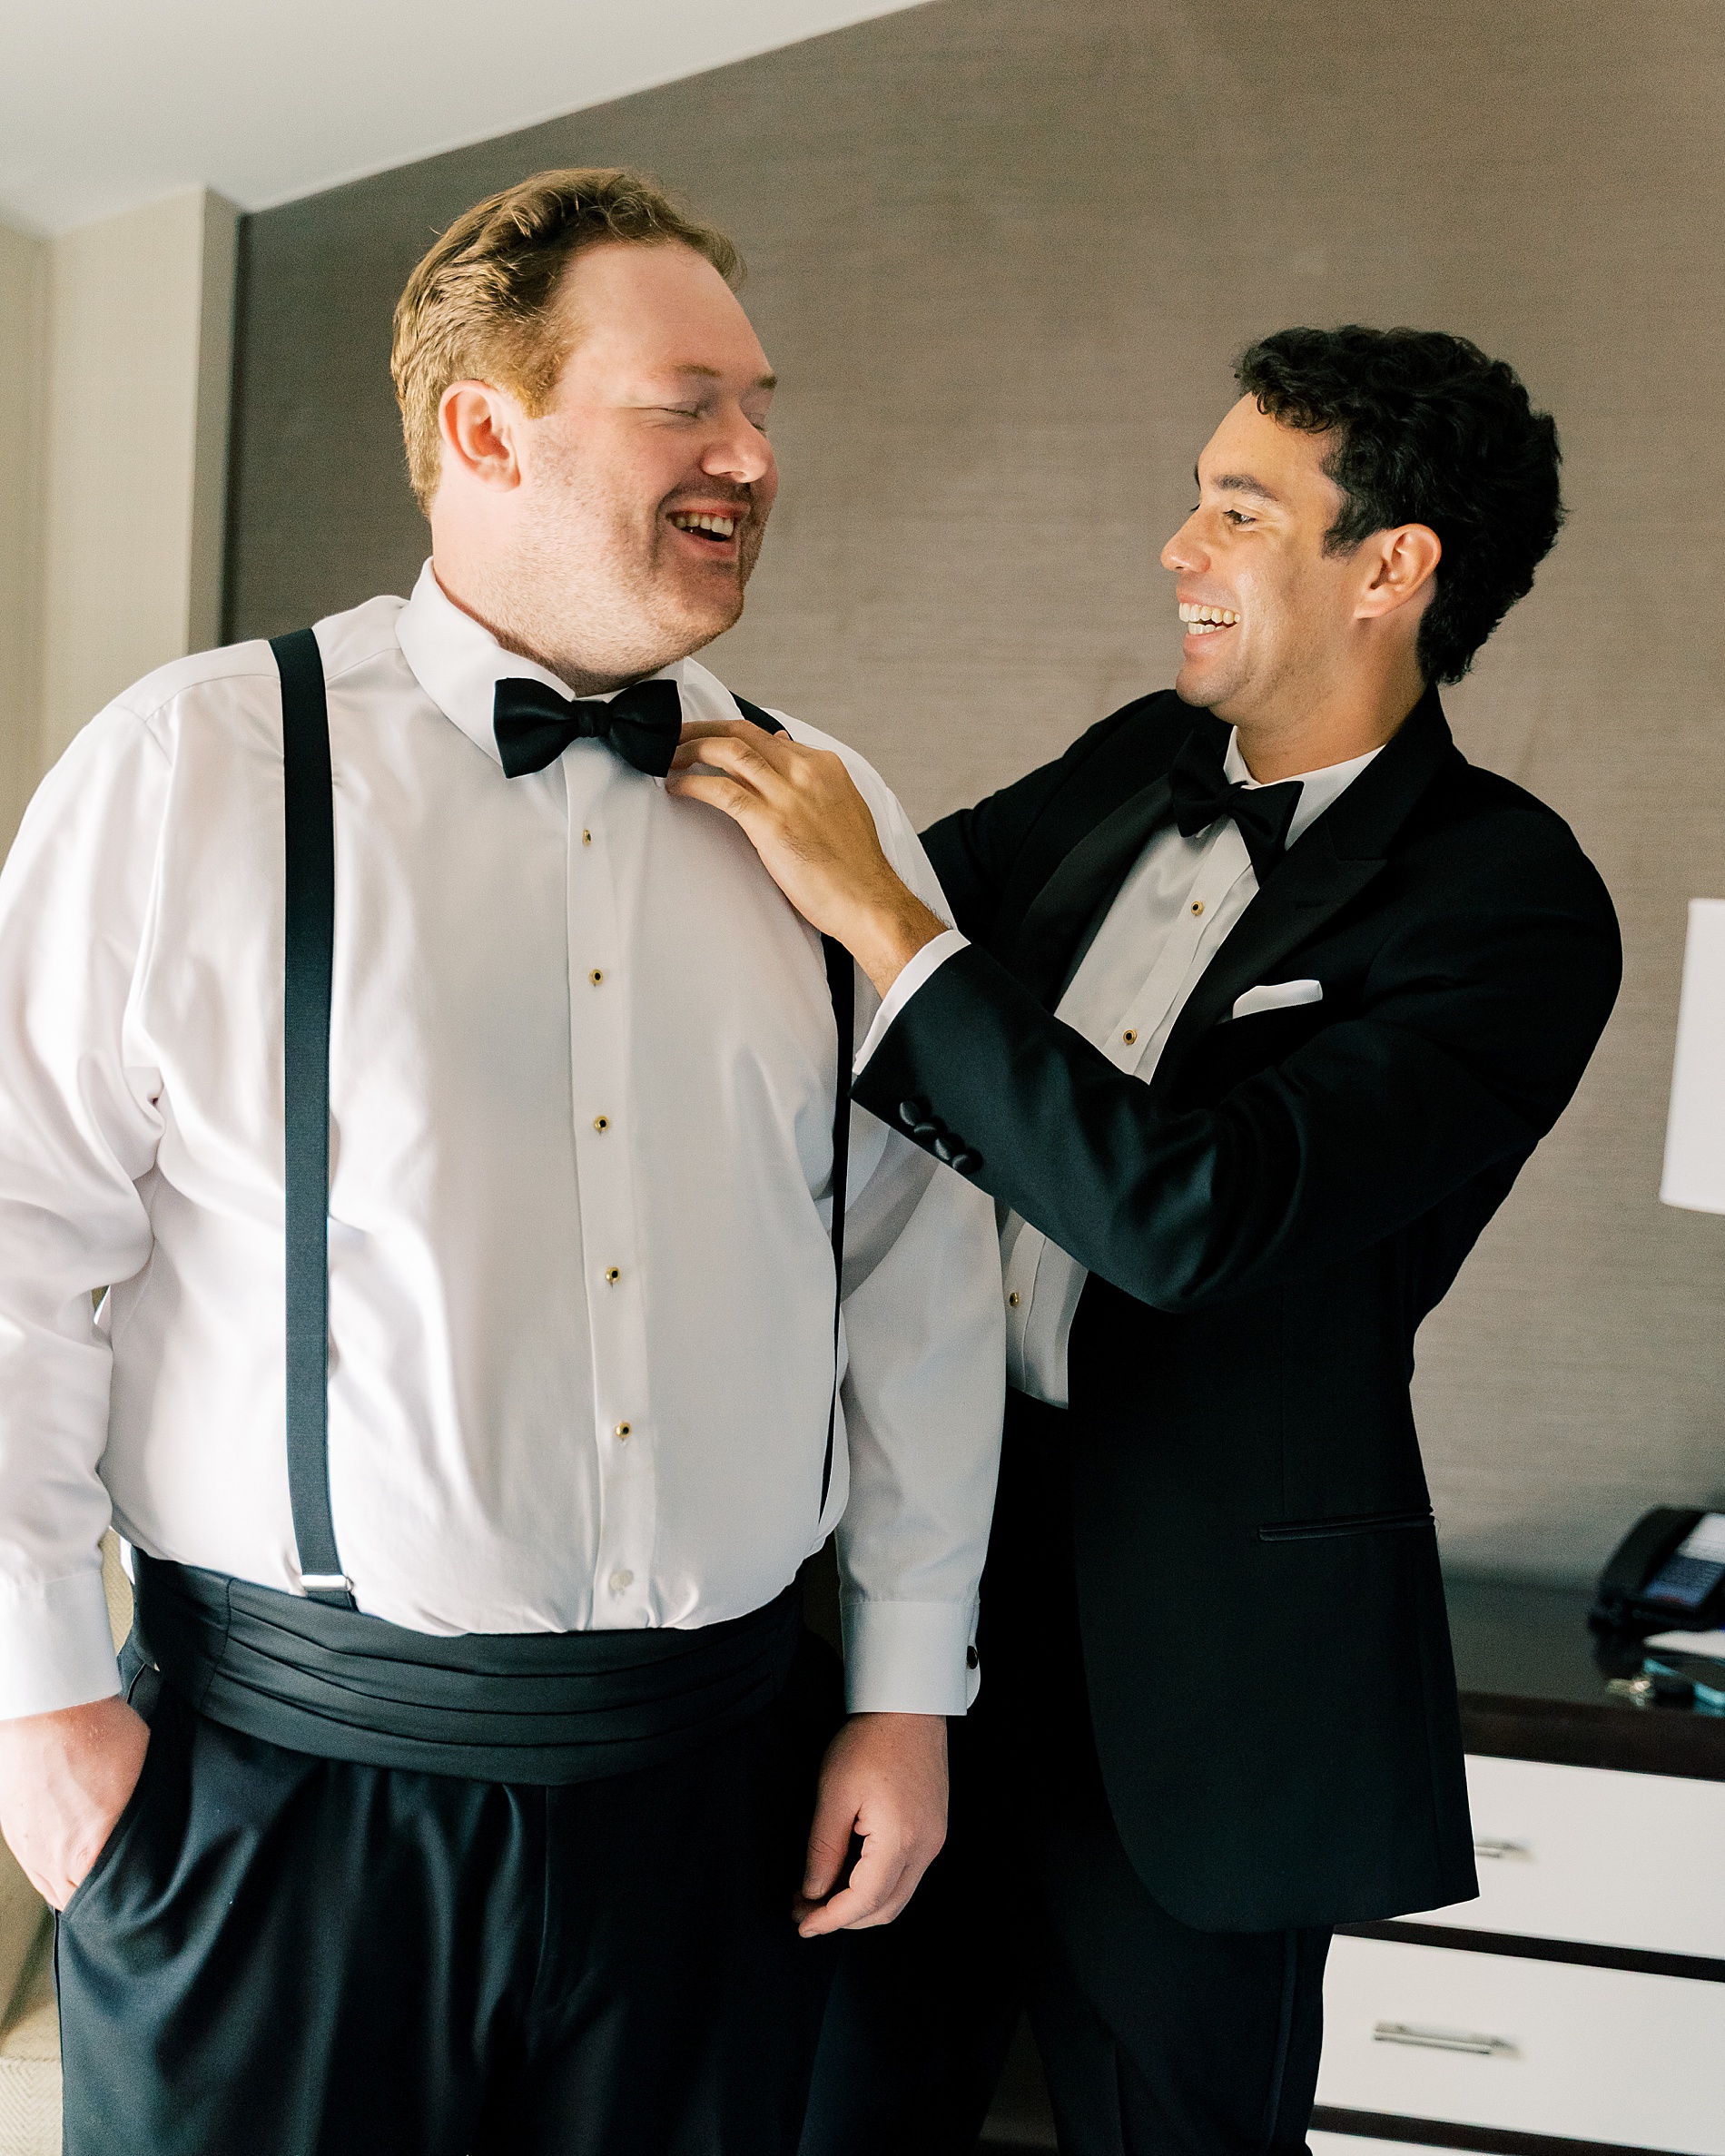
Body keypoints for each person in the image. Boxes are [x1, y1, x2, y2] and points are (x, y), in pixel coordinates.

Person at [0, 168, 1003, 2156]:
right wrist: (38, 1701)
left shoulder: (835, 812)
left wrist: (906, 1692)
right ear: (484, 428)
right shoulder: (193, 767)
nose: (752, 455)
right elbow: (19, 1245)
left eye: (760, 405)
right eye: (686, 403)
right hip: (278, 1795)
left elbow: (914, 1281)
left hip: (706, 1807)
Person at [665, 325, 1624, 2155]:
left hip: (1208, 1677)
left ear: (1391, 566)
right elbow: (831, 943)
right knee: (830, 2108)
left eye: (1238, 508)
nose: (1178, 546)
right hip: (918, 1590)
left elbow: (1188, 1216)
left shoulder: (1510, 905)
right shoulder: (1136, 759)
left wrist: (892, 926)